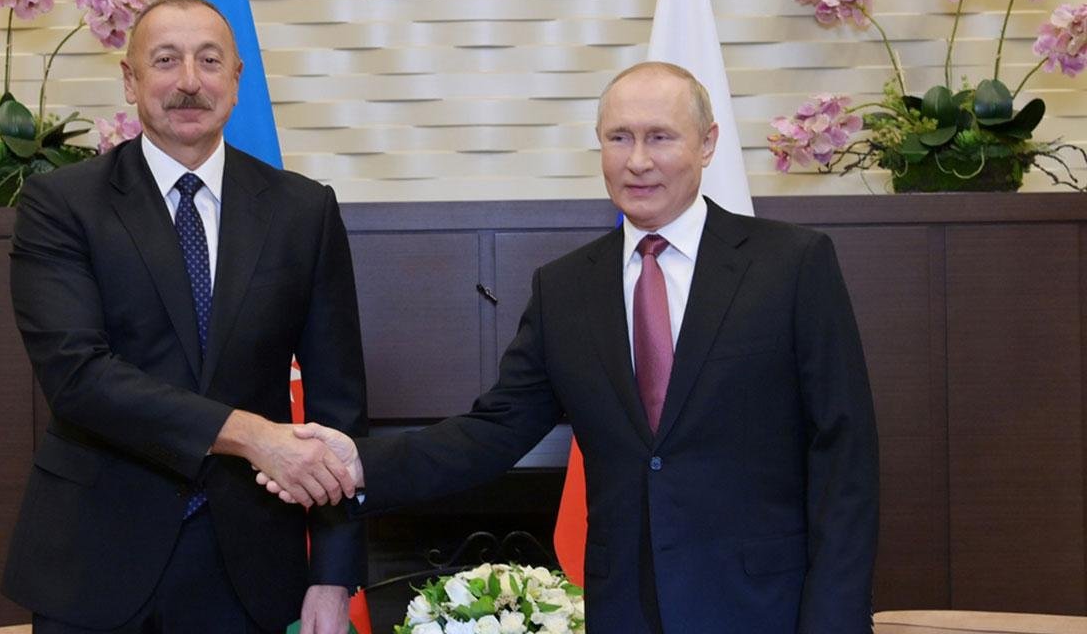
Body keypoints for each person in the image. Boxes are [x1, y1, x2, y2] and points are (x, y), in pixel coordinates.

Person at [262, 62, 880, 633]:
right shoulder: (565, 289)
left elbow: (844, 459)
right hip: (625, 609)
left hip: (765, 607)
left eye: (660, 137)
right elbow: (492, 432)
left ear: (708, 143)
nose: (638, 160)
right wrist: (360, 464)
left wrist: (835, 620)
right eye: (619, 138)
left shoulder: (791, 264)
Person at [1, 0, 368, 634]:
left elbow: (339, 409)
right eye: (166, 60)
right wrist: (252, 435)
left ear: (236, 80)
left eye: (209, 60)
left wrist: (333, 576)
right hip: (94, 559)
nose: (190, 82)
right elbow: (78, 377)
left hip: (251, 567)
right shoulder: (62, 204)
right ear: (131, 79)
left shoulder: (303, 211)